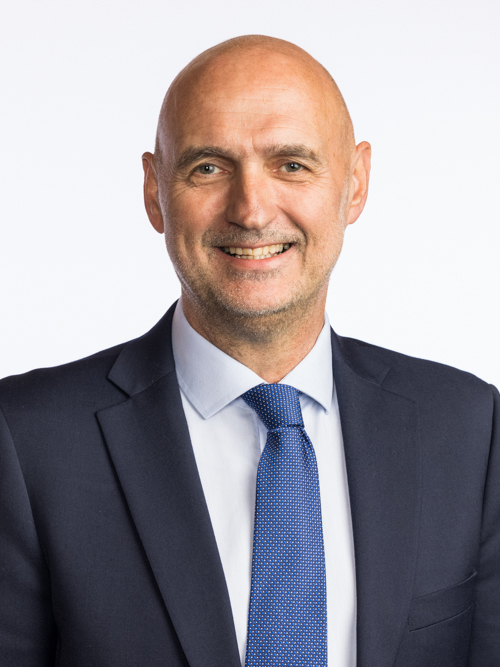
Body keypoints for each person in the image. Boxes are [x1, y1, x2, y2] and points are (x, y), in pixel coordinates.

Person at [0, 34, 498, 667]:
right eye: (208, 167)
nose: (252, 211)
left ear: (355, 183)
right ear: (155, 190)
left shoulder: (469, 428)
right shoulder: (25, 440)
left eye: (292, 164)